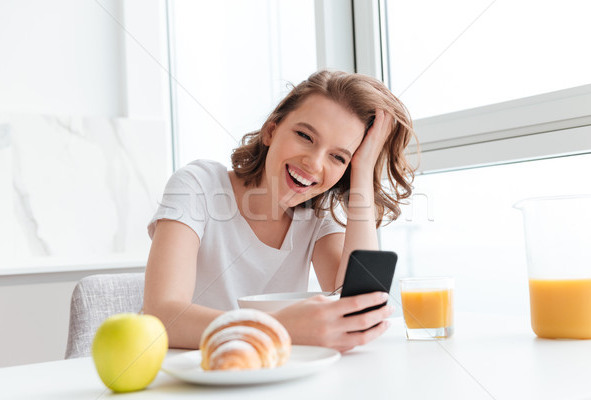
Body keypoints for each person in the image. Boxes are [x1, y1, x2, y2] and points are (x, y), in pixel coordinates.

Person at [144, 70, 416, 352]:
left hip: (274, 376)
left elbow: (357, 312)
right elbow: (162, 317)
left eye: (338, 157)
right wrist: (280, 327)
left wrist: (362, 170)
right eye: (304, 136)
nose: (313, 163)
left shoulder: (318, 216)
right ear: (271, 131)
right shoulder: (199, 185)